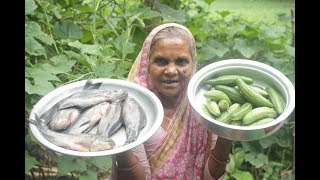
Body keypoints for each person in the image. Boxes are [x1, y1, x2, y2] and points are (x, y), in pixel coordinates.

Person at [110, 23, 233, 180]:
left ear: (193, 63)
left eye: (181, 61)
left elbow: (210, 176)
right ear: (146, 64)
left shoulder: (203, 105)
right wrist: (122, 144)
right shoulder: (132, 107)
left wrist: (228, 131)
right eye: (161, 61)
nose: (171, 71)